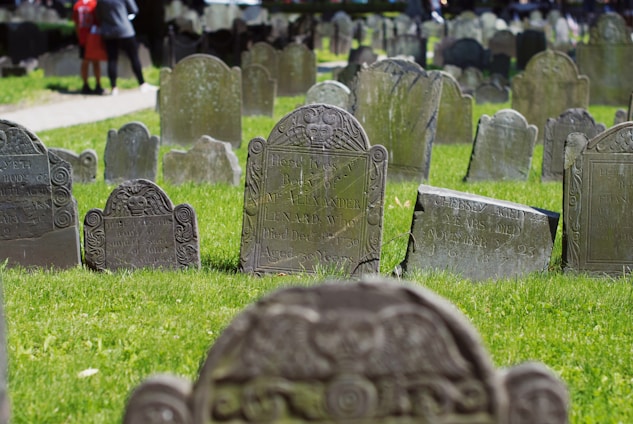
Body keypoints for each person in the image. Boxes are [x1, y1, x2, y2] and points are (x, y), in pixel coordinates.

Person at [94, 0, 156, 95]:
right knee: (134, 57)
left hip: (108, 32)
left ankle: (114, 87)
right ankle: (142, 84)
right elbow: (134, 10)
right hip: (125, 30)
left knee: (112, 60)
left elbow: (98, 15)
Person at [73, 0, 104, 95]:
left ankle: (86, 85)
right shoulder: (94, 4)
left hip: (83, 37)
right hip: (94, 36)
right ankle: (98, 85)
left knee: (85, 61)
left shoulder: (77, 5)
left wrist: (79, 36)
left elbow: (76, 24)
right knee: (95, 62)